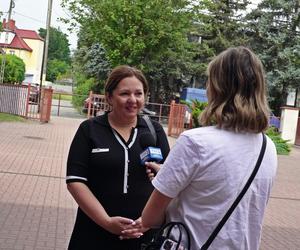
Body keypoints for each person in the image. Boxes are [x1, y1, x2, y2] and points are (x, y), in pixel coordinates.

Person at [141, 47, 278, 249]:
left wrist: (172, 187)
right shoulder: (268, 148)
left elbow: (150, 219)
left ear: (217, 88)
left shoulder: (195, 142)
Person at [66, 65, 170, 250]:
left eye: (138, 93)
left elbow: (170, 181)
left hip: (144, 236)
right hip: (94, 232)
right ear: (109, 97)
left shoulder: (155, 131)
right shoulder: (89, 130)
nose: (133, 100)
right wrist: (106, 222)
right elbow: (75, 181)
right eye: (124, 94)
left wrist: (146, 222)